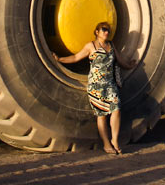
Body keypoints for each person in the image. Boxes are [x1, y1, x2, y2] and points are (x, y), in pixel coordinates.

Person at [53, 21, 136, 154]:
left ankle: (114, 140)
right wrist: (60, 59)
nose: (106, 32)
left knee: (116, 109)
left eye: (108, 30)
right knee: (101, 115)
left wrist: (129, 65)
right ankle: (106, 143)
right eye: (103, 29)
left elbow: (120, 61)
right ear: (97, 32)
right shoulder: (91, 46)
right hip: (96, 85)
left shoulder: (111, 45)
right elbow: (76, 57)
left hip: (110, 84)